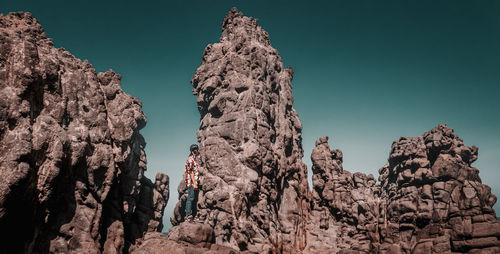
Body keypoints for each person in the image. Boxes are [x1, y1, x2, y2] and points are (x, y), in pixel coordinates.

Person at [184, 144, 200, 222]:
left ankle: (194, 215)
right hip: (192, 183)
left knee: (194, 199)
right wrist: (195, 183)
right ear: (195, 150)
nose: (199, 151)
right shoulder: (190, 159)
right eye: (198, 150)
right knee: (190, 199)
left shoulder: (194, 159)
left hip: (194, 183)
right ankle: (188, 215)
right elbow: (191, 172)